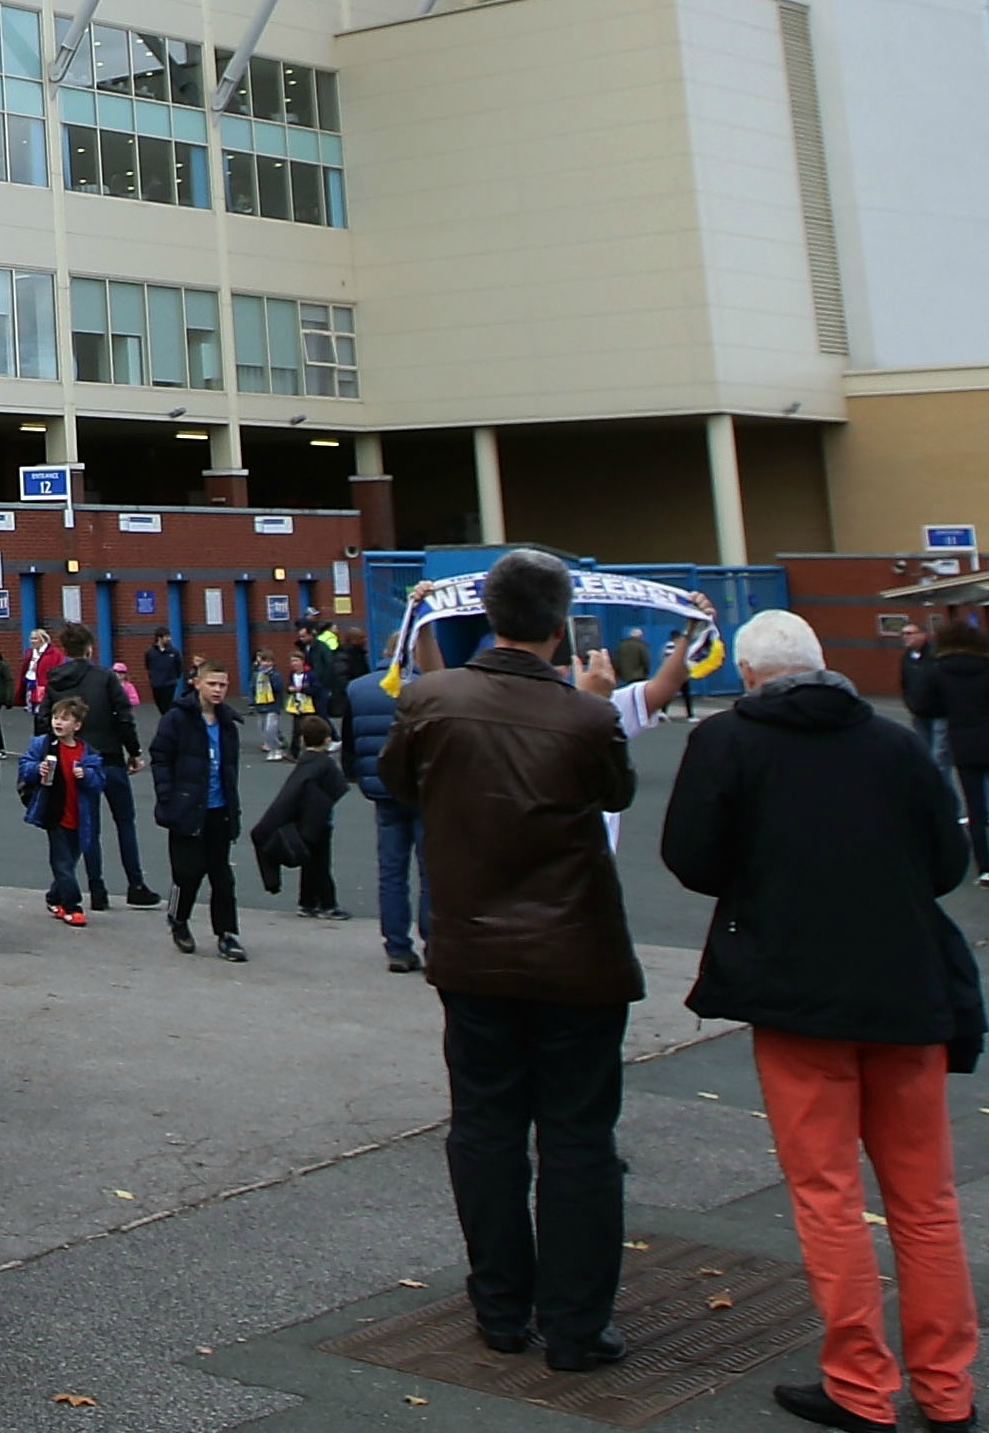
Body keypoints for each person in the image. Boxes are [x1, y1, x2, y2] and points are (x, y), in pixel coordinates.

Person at [661, 609, 981, 1433]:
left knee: (827, 1195)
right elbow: (946, 862)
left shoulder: (729, 743)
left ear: (751, 675)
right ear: (823, 664)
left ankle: (859, 1385)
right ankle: (947, 1391)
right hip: (907, 992)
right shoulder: (893, 742)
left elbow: (692, 860)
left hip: (795, 992)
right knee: (925, 1200)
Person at [383, 548, 641, 1374]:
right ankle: (576, 1325)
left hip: (474, 949)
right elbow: (616, 792)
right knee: (578, 1138)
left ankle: (500, 1306)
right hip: (576, 954)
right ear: (560, 623)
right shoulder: (585, 717)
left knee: (486, 1129)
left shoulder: (432, 703)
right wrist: (589, 703)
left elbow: (398, 783)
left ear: (489, 616)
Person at [902, 623, 989, 886]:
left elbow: (920, 705)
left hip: (963, 741)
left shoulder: (939, 672)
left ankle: (985, 869)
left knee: (974, 807)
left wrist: (948, 709)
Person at [36, 625, 153, 909]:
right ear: (89, 648)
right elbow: (123, 716)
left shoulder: (55, 680)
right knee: (124, 821)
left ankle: (96, 887)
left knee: (89, 826)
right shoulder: (105, 678)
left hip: (72, 757)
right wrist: (134, 750)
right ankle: (135, 883)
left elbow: (43, 721)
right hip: (108, 754)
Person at [344, 610, 428, 975]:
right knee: (431, 870)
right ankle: (434, 943)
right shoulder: (428, 689)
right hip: (425, 790)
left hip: (382, 787)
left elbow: (350, 741)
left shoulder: (360, 688)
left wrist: (359, 776)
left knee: (391, 870)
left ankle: (396, 945)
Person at [150, 661, 250, 961]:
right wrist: (168, 796)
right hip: (186, 807)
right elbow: (160, 757)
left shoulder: (228, 724)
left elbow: (229, 768)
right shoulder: (177, 719)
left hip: (219, 808)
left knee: (222, 876)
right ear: (197, 683)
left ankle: (227, 933)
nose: (218, 690)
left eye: (223, 685)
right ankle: (178, 919)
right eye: (212, 684)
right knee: (187, 873)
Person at [251, 715, 352, 920]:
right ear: (326, 740)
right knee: (321, 864)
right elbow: (336, 789)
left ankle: (307, 902)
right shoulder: (326, 765)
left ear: (303, 740)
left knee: (310, 863)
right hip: (321, 823)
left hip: (303, 822)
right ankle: (327, 903)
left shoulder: (304, 763)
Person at [19, 697, 104, 922]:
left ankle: (54, 896)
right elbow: (25, 767)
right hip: (53, 813)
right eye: (56, 718)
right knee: (62, 862)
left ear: (77, 726)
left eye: (65, 720)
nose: (58, 723)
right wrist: (37, 768)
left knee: (70, 860)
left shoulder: (87, 752)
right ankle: (73, 906)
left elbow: (99, 783)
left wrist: (87, 775)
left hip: (80, 816)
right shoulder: (42, 744)